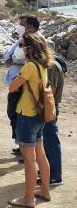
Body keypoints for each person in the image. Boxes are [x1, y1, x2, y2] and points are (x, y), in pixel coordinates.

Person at [8, 33, 53, 207]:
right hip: (38, 116)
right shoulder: (43, 65)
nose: (20, 48)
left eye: (22, 45)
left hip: (26, 115)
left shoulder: (29, 67)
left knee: (29, 159)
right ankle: (45, 190)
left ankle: (28, 199)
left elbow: (12, 87)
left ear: (29, 48)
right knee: (40, 154)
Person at [3, 15, 40, 156]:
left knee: (20, 115)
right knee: (14, 114)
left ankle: (26, 150)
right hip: (17, 80)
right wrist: (10, 58)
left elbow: (19, 56)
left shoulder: (33, 40)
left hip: (23, 83)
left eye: (22, 24)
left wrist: (12, 59)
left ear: (30, 27)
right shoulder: (22, 39)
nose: (19, 25)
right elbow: (8, 55)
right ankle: (21, 145)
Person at [39, 41, 64, 186]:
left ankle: (55, 176)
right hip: (49, 107)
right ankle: (48, 173)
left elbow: (50, 91)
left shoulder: (52, 66)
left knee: (51, 143)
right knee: (47, 143)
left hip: (50, 107)